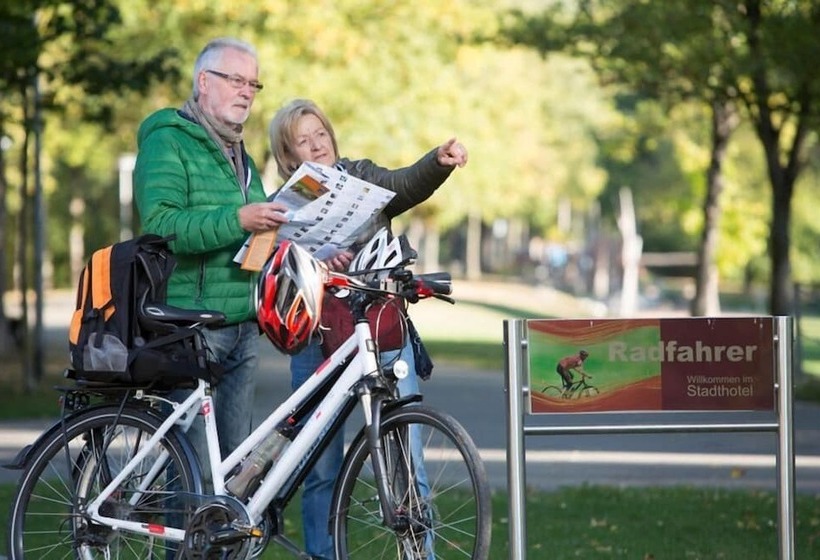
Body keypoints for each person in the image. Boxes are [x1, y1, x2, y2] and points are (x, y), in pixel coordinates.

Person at [268, 98, 467, 560]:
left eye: (321, 134)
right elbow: (269, 266)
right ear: (288, 155)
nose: (317, 145)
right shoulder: (284, 204)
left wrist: (437, 162)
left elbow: (404, 184)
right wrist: (314, 260)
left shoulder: (360, 176)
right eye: (304, 140)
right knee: (321, 467)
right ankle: (323, 553)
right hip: (318, 343)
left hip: (381, 333)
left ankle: (422, 555)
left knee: (407, 460)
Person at [133, 37, 289, 476]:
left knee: (235, 473)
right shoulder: (168, 142)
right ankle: (181, 548)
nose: (246, 92)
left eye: (253, 85)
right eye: (236, 80)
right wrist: (239, 218)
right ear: (204, 81)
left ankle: (220, 548)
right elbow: (163, 227)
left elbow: (256, 235)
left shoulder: (241, 154)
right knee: (194, 474)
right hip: (189, 327)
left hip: (241, 326)